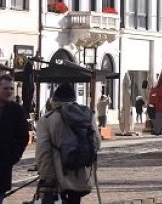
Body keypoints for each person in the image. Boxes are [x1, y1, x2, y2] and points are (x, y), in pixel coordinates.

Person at [34, 83, 101, 204]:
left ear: (54, 100)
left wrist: (46, 177)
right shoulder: (87, 115)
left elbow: (43, 152)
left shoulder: (47, 120)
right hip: (81, 176)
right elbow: (97, 142)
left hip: (58, 178)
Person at [0, 73, 30, 204]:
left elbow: (23, 136)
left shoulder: (16, 110)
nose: (9, 92)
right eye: (6, 88)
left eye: (11, 88)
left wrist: (14, 156)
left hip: (3, 166)